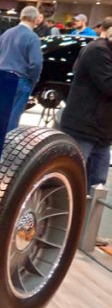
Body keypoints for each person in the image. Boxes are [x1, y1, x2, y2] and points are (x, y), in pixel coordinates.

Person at [59, 17, 112, 188]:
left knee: (97, 186)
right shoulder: (98, 50)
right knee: (71, 180)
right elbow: (108, 85)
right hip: (84, 128)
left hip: (102, 131)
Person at [0, 6, 43, 128]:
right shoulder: (33, 38)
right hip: (19, 81)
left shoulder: (6, 33)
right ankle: (5, 145)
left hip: (1, 78)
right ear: (35, 19)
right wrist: (33, 80)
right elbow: (36, 63)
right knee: (11, 120)